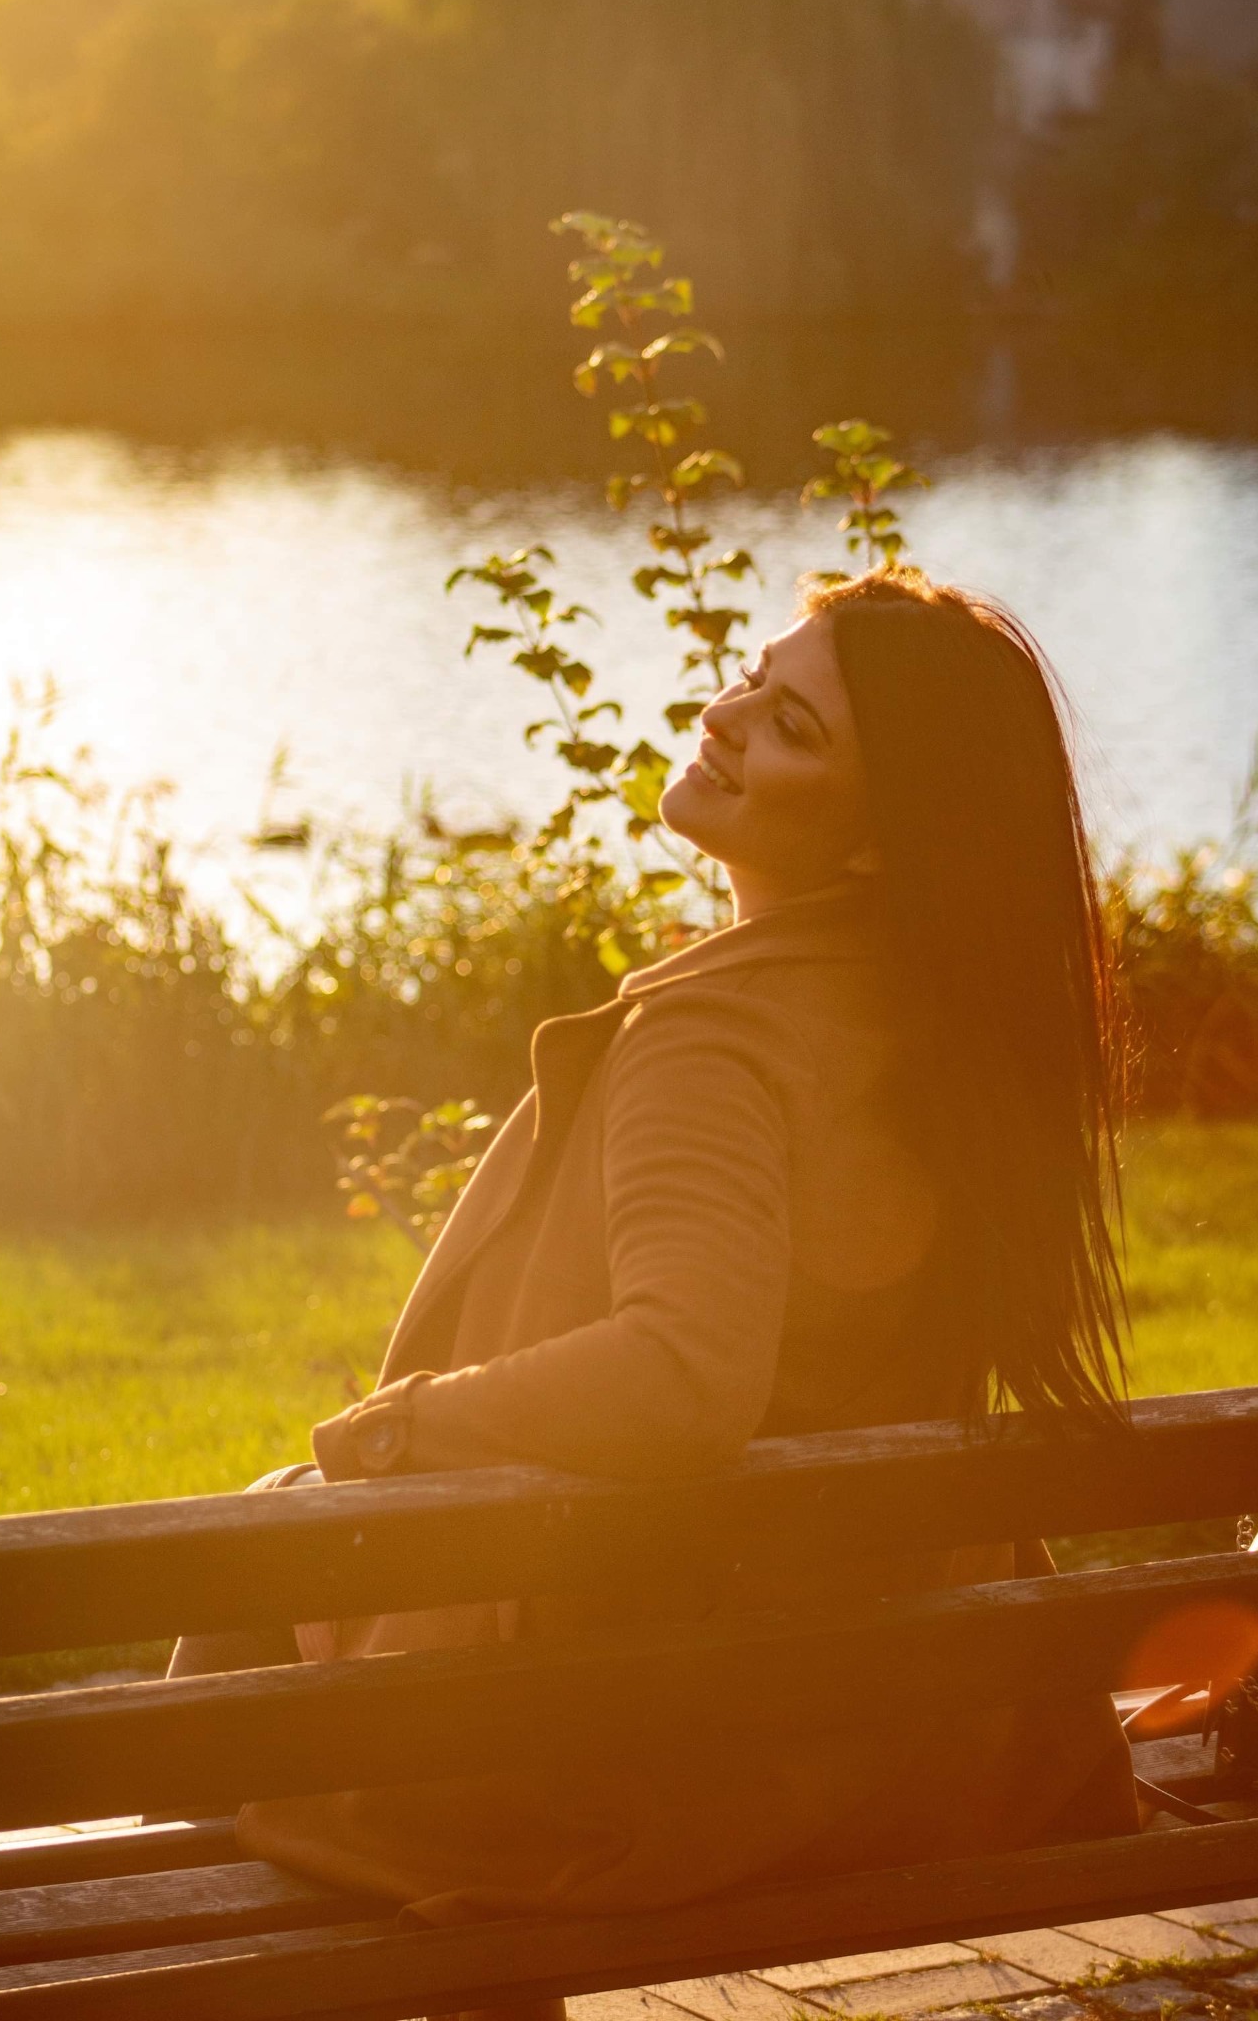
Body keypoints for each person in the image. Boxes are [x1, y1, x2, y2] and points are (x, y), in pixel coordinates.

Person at [174, 565, 1140, 2011]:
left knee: (250, 1580)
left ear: (882, 840)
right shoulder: (948, 1035)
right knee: (275, 1553)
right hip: (897, 1734)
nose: (725, 713)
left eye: (792, 728)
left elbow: (688, 1376)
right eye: (754, 677)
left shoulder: (716, 1038)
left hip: (642, 1779)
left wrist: (397, 1426)